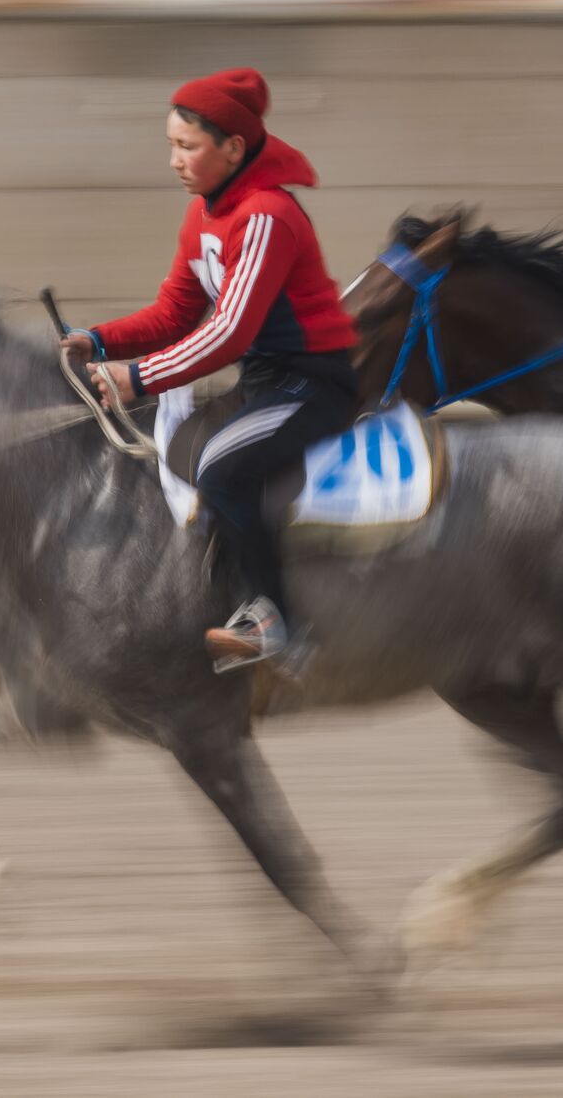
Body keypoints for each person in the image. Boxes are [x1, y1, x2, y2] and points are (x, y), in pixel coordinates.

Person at [61, 67, 357, 683]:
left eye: (186, 147)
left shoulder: (268, 215)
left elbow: (231, 333)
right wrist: (97, 340)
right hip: (264, 384)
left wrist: (136, 378)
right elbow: (174, 313)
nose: (174, 161)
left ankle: (279, 626)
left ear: (233, 148)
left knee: (221, 466)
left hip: (312, 384)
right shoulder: (203, 216)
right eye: (171, 145)